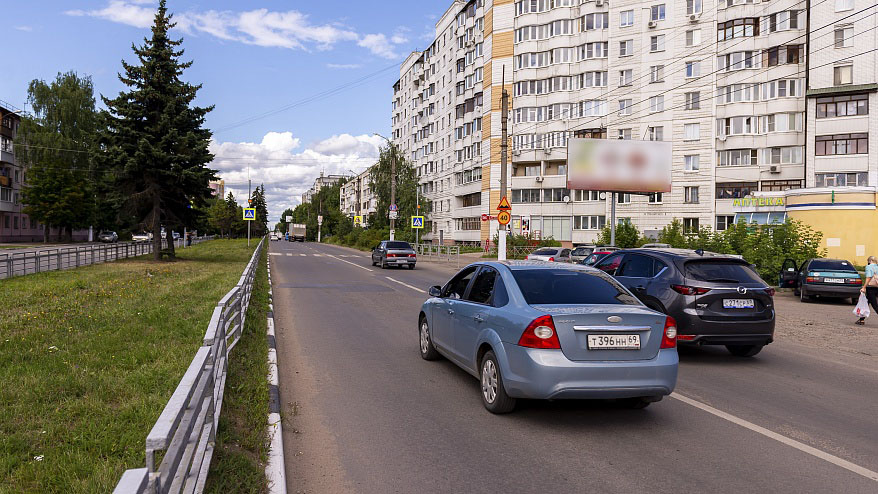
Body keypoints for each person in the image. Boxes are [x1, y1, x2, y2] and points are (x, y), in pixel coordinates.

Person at [857, 256, 878, 325]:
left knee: (874, 305)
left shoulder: (869, 267)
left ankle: (861, 319)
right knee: (866, 302)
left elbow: (868, 278)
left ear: (869, 261)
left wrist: (864, 287)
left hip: (871, 287)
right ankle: (861, 319)